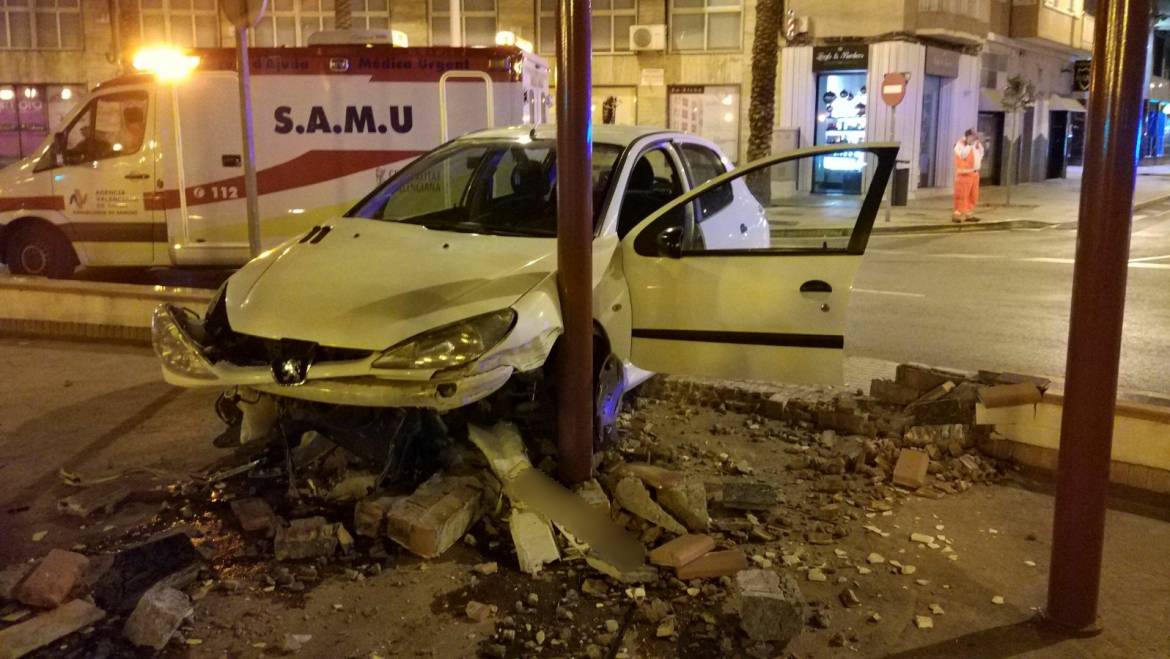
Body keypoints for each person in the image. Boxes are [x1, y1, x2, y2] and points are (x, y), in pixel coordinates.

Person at [952, 128, 984, 222]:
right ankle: (957, 214)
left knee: (973, 196)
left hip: (974, 174)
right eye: (973, 136)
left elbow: (980, 154)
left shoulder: (975, 144)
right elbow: (963, 155)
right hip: (964, 174)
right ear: (968, 136)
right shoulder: (959, 144)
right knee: (962, 195)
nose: (975, 138)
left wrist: (977, 146)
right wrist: (969, 145)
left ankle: (968, 214)